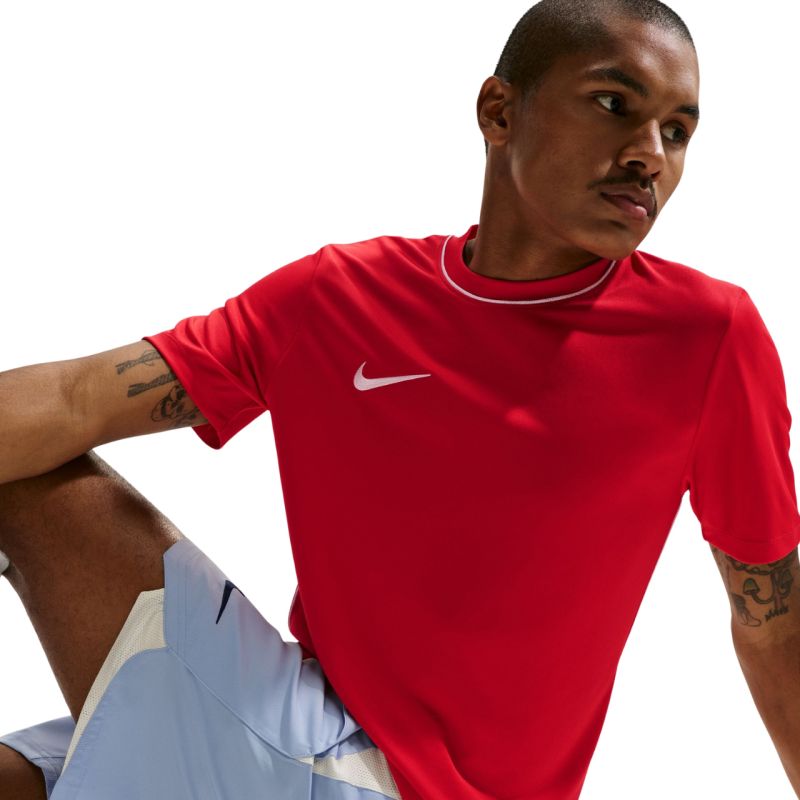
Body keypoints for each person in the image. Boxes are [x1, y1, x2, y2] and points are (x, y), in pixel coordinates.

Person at [2, 0, 800, 797]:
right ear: (499, 112)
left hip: (386, 783)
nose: (650, 155)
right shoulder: (337, 298)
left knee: (29, 483)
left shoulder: (706, 337)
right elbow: (78, 397)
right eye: (614, 103)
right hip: (306, 740)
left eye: (677, 132)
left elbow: (773, 624)